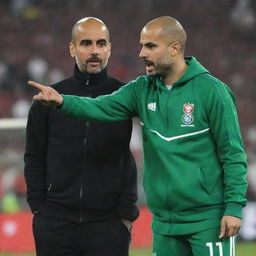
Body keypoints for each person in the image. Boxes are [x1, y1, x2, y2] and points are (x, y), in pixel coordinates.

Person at [28, 16, 248, 256]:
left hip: (207, 219)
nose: (142, 53)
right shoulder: (142, 89)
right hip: (164, 222)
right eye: (142, 45)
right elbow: (100, 106)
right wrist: (62, 100)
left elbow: (233, 154)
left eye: (151, 46)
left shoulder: (212, 91)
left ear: (175, 48)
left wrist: (234, 206)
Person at [24, 17, 139, 256]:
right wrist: (39, 211)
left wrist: (126, 215)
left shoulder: (125, 97)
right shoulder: (49, 98)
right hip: (55, 224)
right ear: (72, 48)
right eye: (86, 43)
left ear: (109, 47)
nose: (94, 50)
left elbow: (126, 159)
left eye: (100, 43)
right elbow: (34, 158)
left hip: (108, 226)